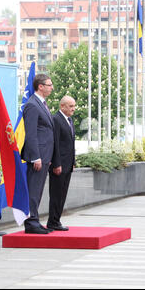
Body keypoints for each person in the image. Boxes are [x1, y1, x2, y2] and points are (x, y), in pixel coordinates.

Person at [21, 74, 55, 234]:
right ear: (40, 86)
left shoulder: (42, 104)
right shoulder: (32, 105)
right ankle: (31, 222)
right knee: (33, 190)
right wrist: (36, 156)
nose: (51, 87)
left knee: (38, 190)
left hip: (45, 155)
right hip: (38, 156)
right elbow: (31, 134)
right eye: (49, 85)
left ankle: (34, 219)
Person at [47, 96, 77, 231]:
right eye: (70, 106)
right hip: (59, 165)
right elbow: (55, 144)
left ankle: (56, 220)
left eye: (74, 106)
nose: (73, 109)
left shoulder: (69, 120)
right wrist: (56, 164)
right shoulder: (56, 120)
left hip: (68, 164)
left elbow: (71, 144)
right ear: (62, 106)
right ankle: (52, 221)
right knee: (56, 194)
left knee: (62, 194)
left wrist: (73, 161)